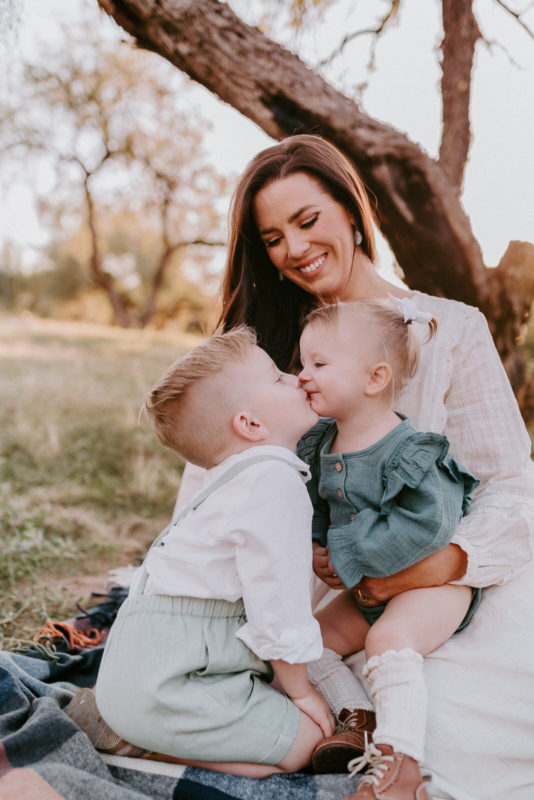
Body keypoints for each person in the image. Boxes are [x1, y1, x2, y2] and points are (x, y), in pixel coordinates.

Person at [178, 134, 534, 799]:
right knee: (266, 666)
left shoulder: (450, 330)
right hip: (319, 574)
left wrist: (443, 564)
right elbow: (215, 477)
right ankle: (363, 733)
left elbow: (509, 483)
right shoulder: (271, 348)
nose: (296, 248)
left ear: (349, 208)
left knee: (468, 714)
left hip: (444, 567)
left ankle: (400, 768)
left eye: (308, 220)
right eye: (273, 237)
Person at [89, 327, 335, 777]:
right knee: (307, 744)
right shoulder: (273, 482)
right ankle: (142, 747)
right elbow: (276, 607)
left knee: (285, 733)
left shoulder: (231, 481)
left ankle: (138, 731)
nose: (296, 378)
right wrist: (299, 692)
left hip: (139, 678)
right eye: (279, 377)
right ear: (251, 425)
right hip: (168, 689)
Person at [297, 299, 480, 797]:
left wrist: (347, 553)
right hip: (367, 590)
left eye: (318, 364)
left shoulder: (410, 449)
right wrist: (318, 545)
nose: (302, 375)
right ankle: (359, 720)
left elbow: (429, 525)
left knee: (389, 640)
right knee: (306, 642)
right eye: (302, 363)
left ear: (374, 378)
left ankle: (403, 768)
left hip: (430, 585)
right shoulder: (320, 443)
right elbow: (319, 505)